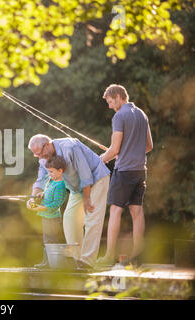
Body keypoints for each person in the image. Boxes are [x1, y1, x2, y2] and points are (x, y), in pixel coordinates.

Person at [27, 134, 110, 268]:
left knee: (92, 218)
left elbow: (85, 174)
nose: (40, 157)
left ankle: (86, 261)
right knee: (70, 218)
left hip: (96, 178)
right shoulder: (43, 159)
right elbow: (41, 179)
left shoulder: (71, 147)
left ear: (47, 144)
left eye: (40, 153)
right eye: (36, 155)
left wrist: (87, 198)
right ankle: (77, 259)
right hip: (77, 187)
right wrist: (33, 197)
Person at [96, 84, 153, 267]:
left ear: (119, 96)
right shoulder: (142, 114)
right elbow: (149, 146)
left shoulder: (119, 116)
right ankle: (138, 256)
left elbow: (113, 150)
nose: (111, 106)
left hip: (125, 171)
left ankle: (109, 256)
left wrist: (100, 160)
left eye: (111, 102)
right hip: (140, 170)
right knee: (137, 211)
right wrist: (130, 152)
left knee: (115, 210)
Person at [28, 155, 67, 268]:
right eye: (48, 172)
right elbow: (47, 193)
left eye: (51, 172)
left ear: (60, 171)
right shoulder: (52, 182)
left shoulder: (60, 185)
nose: (49, 174)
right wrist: (41, 194)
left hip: (52, 218)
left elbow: (56, 204)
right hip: (46, 217)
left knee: (51, 240)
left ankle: (52, 263)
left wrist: (42, 208)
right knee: (47, 239)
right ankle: (47, 262)